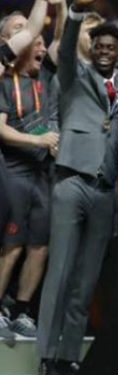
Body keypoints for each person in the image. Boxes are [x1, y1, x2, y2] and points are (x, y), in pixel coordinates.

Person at [37, 0, 118, 375]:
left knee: (86, 277)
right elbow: (69, 44)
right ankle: (46, 354)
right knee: (60, 271)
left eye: (112, 47)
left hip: (105, 190)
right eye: (100, 46)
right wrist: (73, 11)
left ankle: (68, 354)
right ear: (92, 48)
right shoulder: (72, 77)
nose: (105, 52)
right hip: (71, 181)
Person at [0, 29, 59, 338]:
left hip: (43, 173)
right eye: (36, 44)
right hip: (14, 171)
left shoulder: (46, 78)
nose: (43, 49)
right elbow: (1, 129)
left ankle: (22, 310)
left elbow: (63, 39)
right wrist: (38, 139)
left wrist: (62, 6)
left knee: (40, 244)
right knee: (12, 244)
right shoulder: (5, 82)